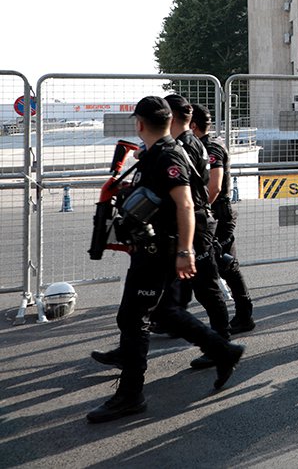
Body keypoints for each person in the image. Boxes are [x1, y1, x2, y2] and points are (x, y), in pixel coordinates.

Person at [86, 97, 243, 423]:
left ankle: (130, 394)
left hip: (163, 249)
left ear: (140, 123)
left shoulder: (169, 155)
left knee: (134, 318)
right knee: (162, 312)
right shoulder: (155, 154)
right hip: (153, 247)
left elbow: (186, 204)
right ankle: (222, 349)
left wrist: (186, 251)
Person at [164, 94, 231, 370]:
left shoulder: (186, 146)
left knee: (207, 287)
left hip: (197, 223)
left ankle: (222, 344)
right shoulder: (190, 143)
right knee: (179, 289)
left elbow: (203, 191)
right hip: (192, 223)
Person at [190, 103, 256, 333]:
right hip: (214, 215)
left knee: (225, 264)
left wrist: (195, 210)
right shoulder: (203, 145)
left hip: (218, 215)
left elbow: (214, 187)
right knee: (222, 264)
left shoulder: (211, 148)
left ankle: (244, 316)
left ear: (193, 125)